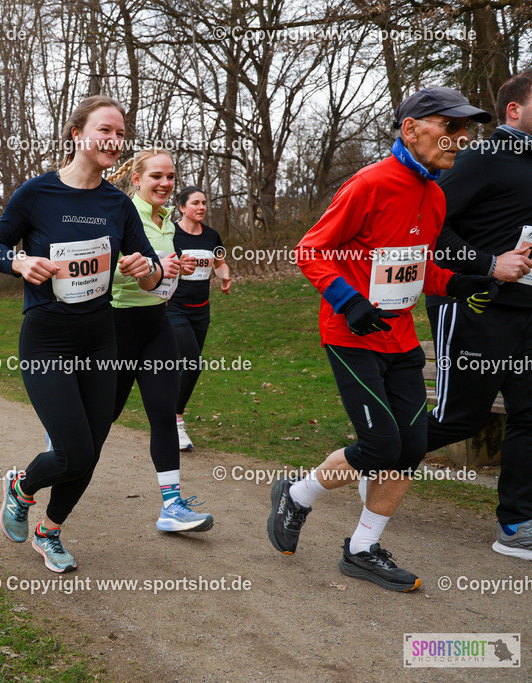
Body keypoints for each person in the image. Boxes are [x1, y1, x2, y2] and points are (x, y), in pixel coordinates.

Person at [269, 87, 499, 592]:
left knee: (411, 444)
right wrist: (350, 303)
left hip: (401, 339)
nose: (459, 138)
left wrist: (456, 283)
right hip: (350, 336)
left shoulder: (436, 193)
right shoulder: (369, 183)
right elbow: (310, 250)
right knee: (380, 443)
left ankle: (361, 549)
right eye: (448, 126)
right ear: (410, 128)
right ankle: (297, 495)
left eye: (465, 130)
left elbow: (417, 268)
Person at [0, 96, 165, 573]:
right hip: (47, 338)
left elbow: (153, 275)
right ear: (76, 134)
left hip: (100, 337)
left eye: (121, 134)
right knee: (73, 449)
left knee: (93, 448)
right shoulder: (36, 194)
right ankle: (20, 487)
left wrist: (145, 269)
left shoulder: (117, 204)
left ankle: (50, 530)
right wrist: (20, 261)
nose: (114, 140)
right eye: (105, 129)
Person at [422, 72, 532, 561]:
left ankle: (516, 523)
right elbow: (429, 227)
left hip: (529, 312)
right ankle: (370, 459)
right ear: (514, 110)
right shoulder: (481, 158)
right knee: (458, 420)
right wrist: (489, 265)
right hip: (476, 307)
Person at [105, 148, 213, 532]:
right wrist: (151, 268)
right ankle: (56, 454)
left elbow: (160, 270)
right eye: (156, 177)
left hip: (157, 324)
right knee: (104, 417)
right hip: (119, 326)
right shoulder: (120, 212)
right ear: (137, 179)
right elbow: (108, 275)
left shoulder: (168, 219)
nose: (165, 184)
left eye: (170, 177)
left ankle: (171, 506)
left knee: (164, 414)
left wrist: (174, 268)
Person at [168, 186, 232, 450]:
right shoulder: (171, 234)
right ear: (182, 207)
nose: (202, 207)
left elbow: (220, 263)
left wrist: (225, 276)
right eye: (195, 203)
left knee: (184, 366)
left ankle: (166, 413)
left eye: (204, 202)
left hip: (201, 310)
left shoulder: (211, 236)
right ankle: (176, 421)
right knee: (192, 364)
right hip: (174, 308)